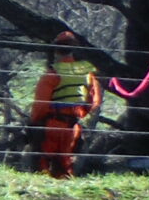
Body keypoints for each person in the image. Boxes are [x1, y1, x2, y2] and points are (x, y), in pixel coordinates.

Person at [28, 32, 101, 178]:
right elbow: (94, 101)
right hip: (73, 127)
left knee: (43, 164)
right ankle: (64, 190)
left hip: (51, 125)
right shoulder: (87, 74)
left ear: (55, 50)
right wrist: (78, 114)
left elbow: (40, 106)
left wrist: (34, 122)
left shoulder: (52, 74)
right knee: (65, 164)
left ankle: (44, 194)